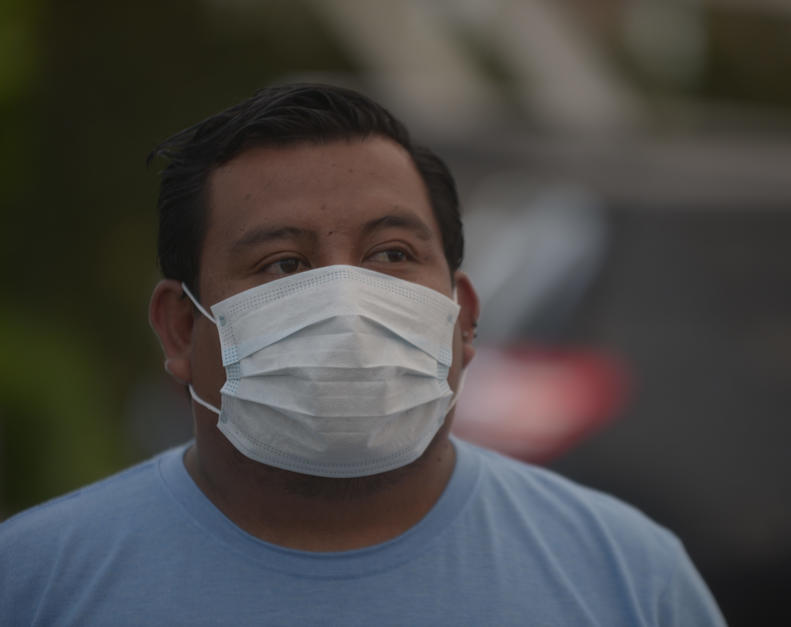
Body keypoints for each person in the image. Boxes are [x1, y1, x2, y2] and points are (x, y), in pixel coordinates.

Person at [0, 83, 725, 626]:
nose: (347, 301)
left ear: (464, 317)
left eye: (392, 253)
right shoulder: (37, 583)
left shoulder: (626, 576)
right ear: (180, 331)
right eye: (283, 264)